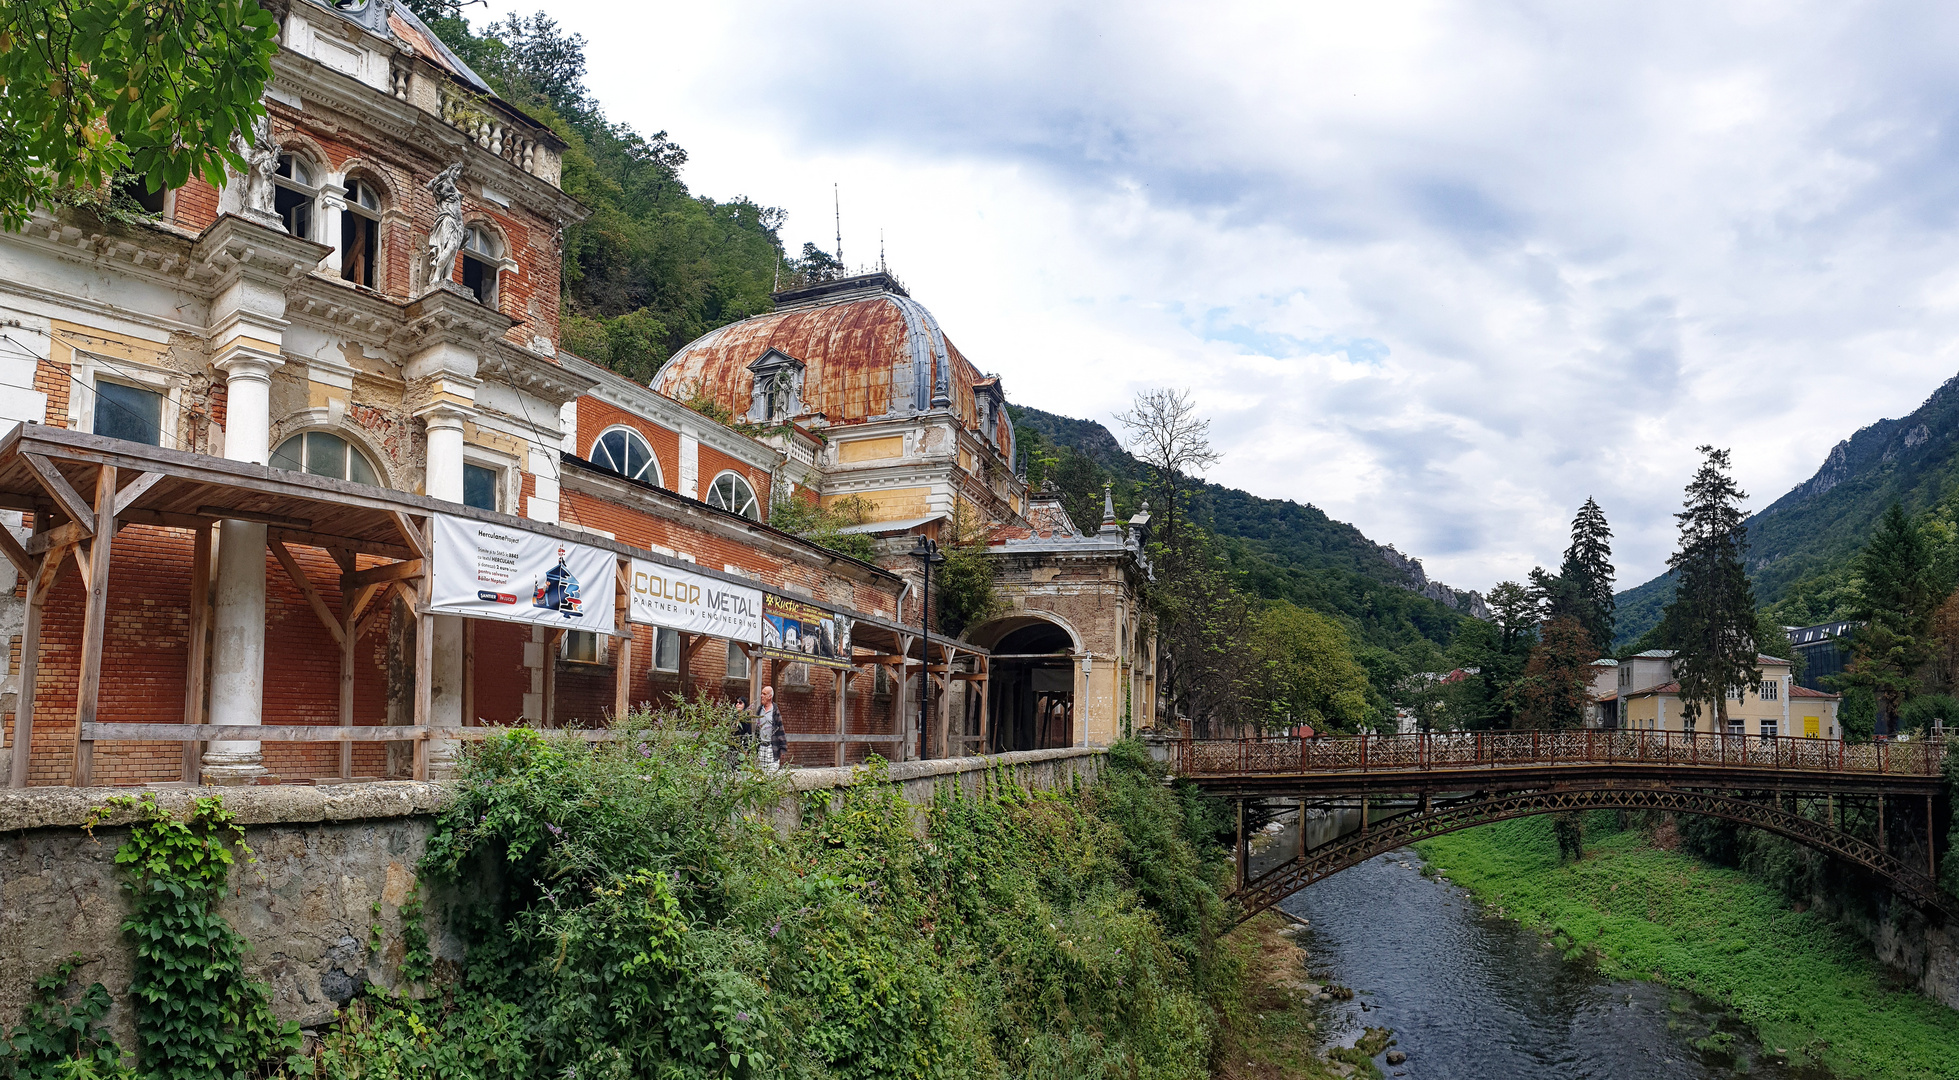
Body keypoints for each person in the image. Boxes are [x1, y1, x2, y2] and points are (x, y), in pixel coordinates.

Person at [753, 685, 787, 772]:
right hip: (761, 747)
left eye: (764, 694)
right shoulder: (759, 710)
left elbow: (780, 729)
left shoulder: (775, 711)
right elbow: (756, 730)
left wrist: (783, 748)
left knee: (771, 773)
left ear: (770, 697)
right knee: (760, 773)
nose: (761, 696)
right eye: (761, 694)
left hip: (771, 748)